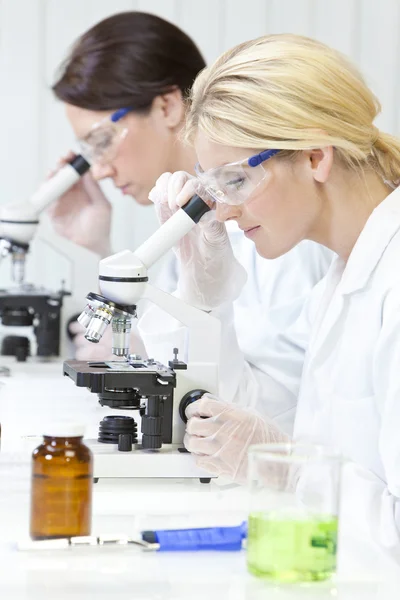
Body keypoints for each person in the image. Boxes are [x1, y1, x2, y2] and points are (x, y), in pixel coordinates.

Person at [146, 33, 400, 551]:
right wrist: (203, 293)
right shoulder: (342, 277)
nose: (228, 211)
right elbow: (246, 423)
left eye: (236, 181)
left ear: (313, 157)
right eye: (216, 188)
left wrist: (291, 470)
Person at [48, 13, 332, 432]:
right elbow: (173, 349)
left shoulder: (277, 225)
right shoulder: (191, 219)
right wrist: (97, 247)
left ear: (166, 106)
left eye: (102, 141)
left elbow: (273, 411)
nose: (100, 170)